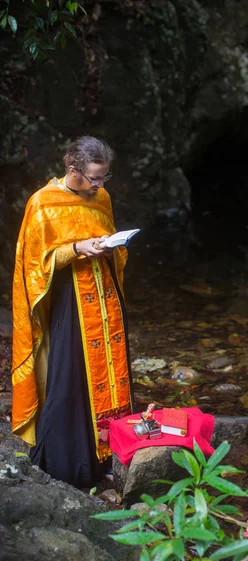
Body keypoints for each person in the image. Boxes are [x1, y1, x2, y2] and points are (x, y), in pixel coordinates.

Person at [12, 136, 134, 488]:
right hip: (69, 301)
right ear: (72, 169)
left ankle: (111, 456)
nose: (99, 185)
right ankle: (70, 463)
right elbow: (33, 265)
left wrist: (111, 247)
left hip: (107, 297)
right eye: (94, 178)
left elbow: (113, 243)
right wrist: (77, 249)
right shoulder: (42, 203)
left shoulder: (102, 198)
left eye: (104, 178)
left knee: (115, 375)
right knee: (72, 377)